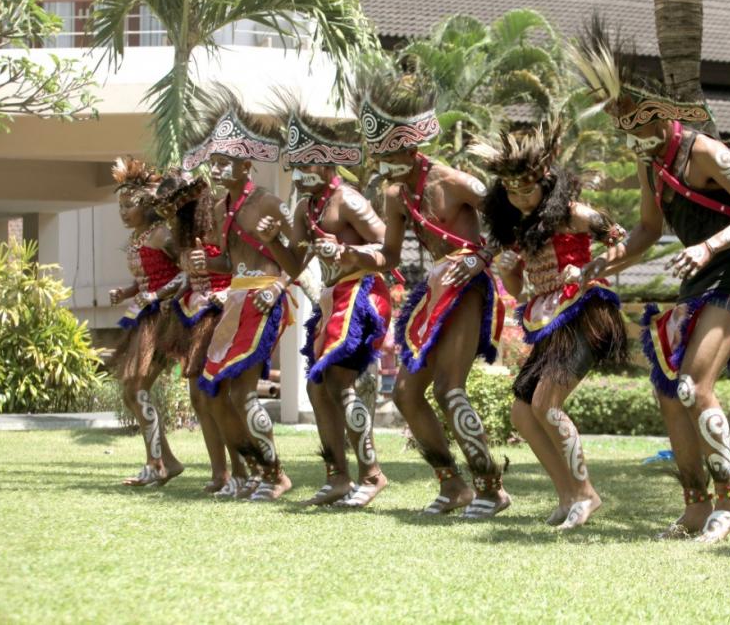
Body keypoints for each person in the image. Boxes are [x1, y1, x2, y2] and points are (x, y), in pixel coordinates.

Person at [573, 25, 730, 542]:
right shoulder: (649, 163)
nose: (632, 136)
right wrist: (605, 263)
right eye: (623, 126)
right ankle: (694, 506)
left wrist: (709, 245)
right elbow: (646, 231)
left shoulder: (705, 151)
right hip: (695, 286)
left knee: (693, 387)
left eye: (637, 123)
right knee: (669, 391)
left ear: (662, 112)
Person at [338, 58, 509, 518]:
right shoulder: (395, 197)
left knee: (451, 390)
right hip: (434, 291)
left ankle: (491, 486)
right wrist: (355, 256)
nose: (380, 163)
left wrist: (479, 257)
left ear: (411, 148)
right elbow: (389, 256)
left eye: (388, 155)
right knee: (406, 395)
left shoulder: (455, 183)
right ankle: (453, 485)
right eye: (377, 154)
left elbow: (508, 221)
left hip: (469, 288)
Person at [478, 124, 628, 529]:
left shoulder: (575, 213)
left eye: (527, 190)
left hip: (585, 311)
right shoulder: (517, 229)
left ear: (546, 182)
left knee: (546, 404)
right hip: (548, 319)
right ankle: (569, 496)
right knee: (523, 414)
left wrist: (591, 266)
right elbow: (518, 288)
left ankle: (586, 495)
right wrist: (507, 272)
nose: (520, 198)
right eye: (511, 192)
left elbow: (621, 240)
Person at [256, 105, 392, 508]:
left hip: (362, 292)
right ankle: (337, 477)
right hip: (332, 299)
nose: (300, 171)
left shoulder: (347, 200)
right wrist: (273, 241)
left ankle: (372, 475)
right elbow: (295, 265)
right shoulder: (304, 208)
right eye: (295, 163)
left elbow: (389, 245)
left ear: (329, 159)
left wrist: (345, 249)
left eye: (308, 161)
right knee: (317, 387)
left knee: (338, 383)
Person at [183, 95, 295, 502]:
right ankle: (254, 472)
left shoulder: (267, 201)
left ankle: (276, 475)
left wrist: (278, 285)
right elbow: (230, 261)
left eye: (225, 161)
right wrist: (203, 263)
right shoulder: (218, 207)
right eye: (213, 161)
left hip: (265, 298)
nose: (215, 168)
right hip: (235, 301)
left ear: (247, 165)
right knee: (216, 393)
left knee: (243, 393)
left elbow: (299, 259)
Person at [154, 171, 249, 497]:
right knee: (198, 398)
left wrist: (223, 287)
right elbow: (187, 275)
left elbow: (241, 264)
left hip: (220, 312)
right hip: (192, 314)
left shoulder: (219, 223)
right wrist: (171, 292)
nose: (172, 213)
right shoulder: (182, 233)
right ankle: (220, 473)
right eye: (166, 209)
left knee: (217, 396)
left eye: (177, 205)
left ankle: (241, 471)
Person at [107, 157, 187, 486]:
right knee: (131, 391)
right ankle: (165, 461)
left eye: (130, 205)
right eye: (121, 206)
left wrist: (156, 297)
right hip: (144, 317)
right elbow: (149, 277)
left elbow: (186, 271)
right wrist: (127, 292)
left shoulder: (161, 234)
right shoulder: (140, 236)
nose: (123, 212)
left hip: (165, 319)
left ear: (148, 205)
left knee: (136, 388)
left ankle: (157, 464)